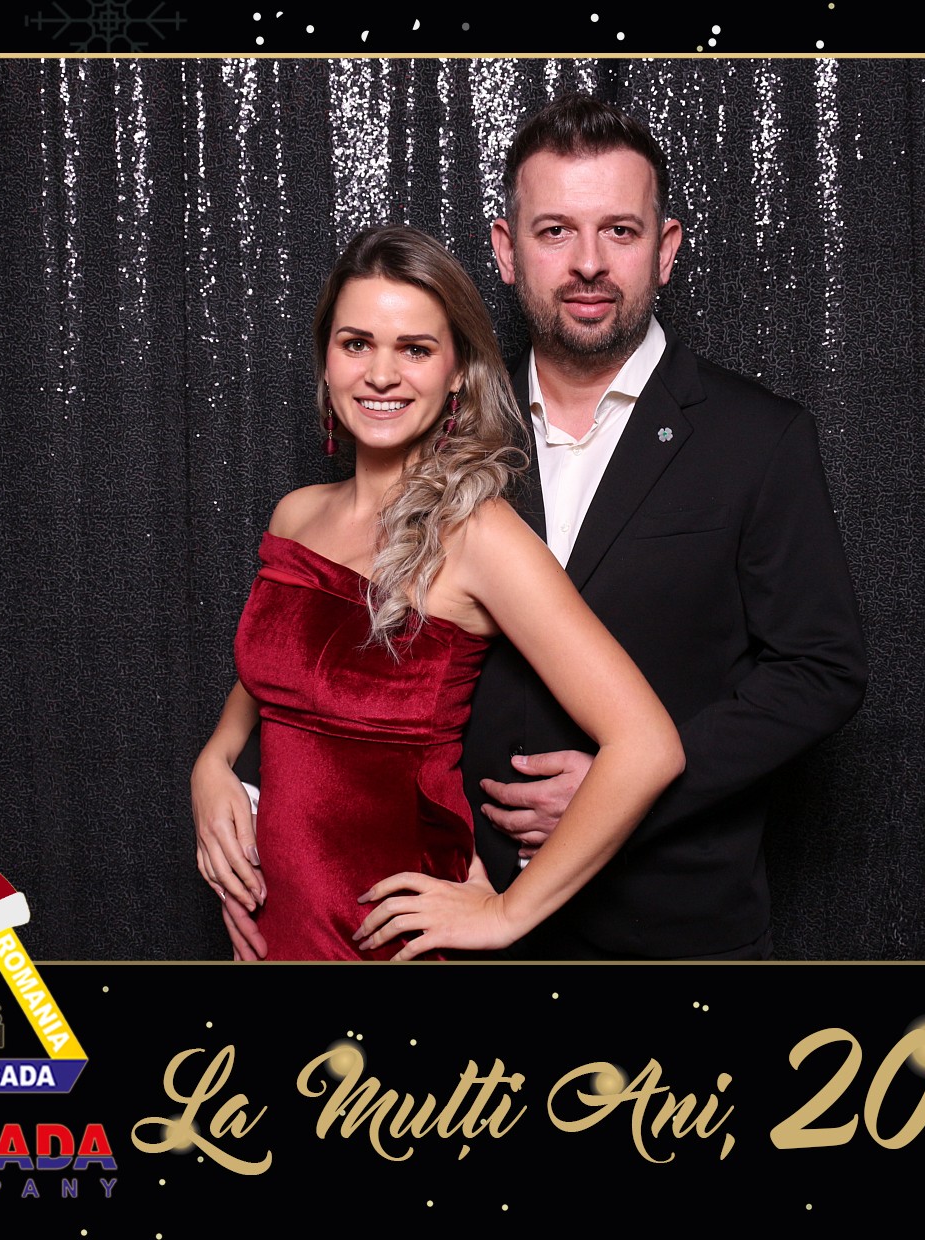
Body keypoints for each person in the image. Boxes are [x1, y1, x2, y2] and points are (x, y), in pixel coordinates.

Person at [190, 224, 683, 961]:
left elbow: (647, 746)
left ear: (457, 372)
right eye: (357, 344)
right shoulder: (296, 515)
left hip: (390, 942)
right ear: (327, 359)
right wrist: (213, 763)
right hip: (273, 933)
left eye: (415, 350)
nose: (381, 375)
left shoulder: (480, 535)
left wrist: (507, 912)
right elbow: (278, 674)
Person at [462, 93, 869, 958]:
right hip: (471, 916)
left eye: (620, 230)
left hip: (677, 928)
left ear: (666, 248)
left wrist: (631, 787)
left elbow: (821, 670)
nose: (588, 263)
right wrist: (237, 778)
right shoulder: (451, 437)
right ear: (506, 250)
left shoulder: (759, 439)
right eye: (554, 231)